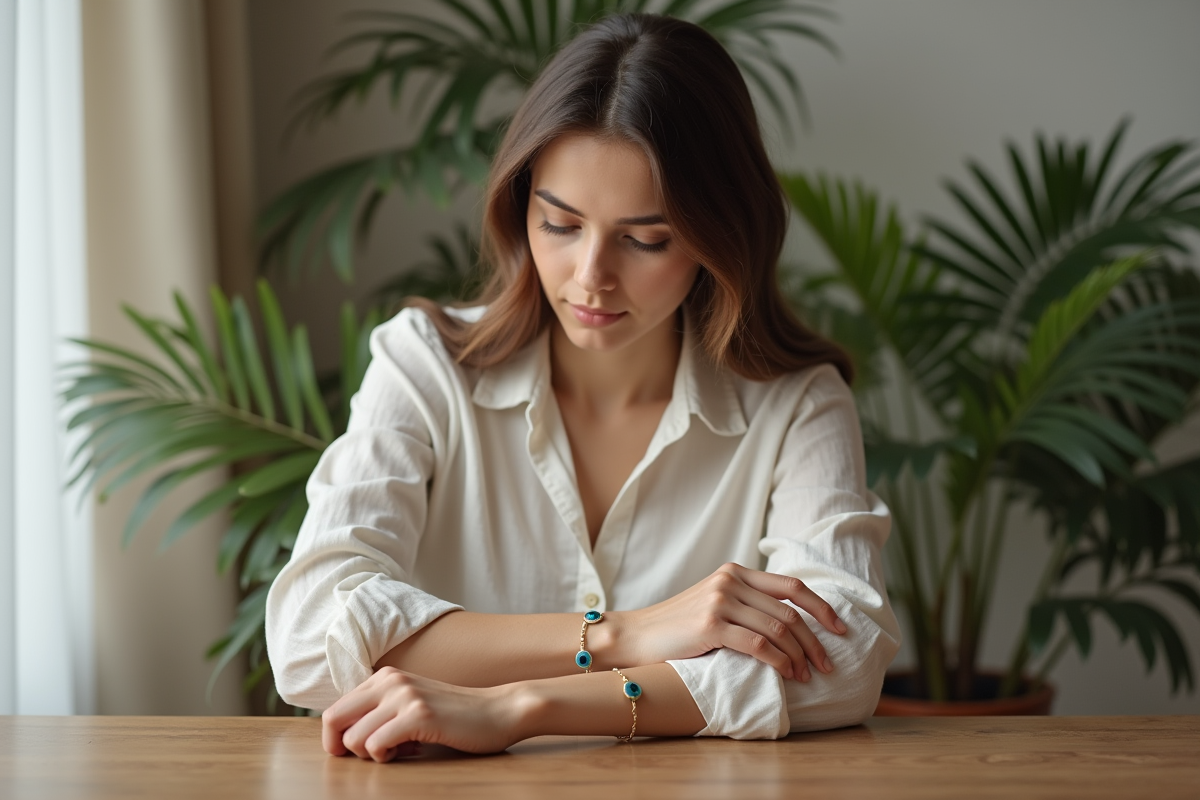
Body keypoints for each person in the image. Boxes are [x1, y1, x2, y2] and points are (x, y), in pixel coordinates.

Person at [265, 12, 900, 762]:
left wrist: (519, 708)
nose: (590, 275)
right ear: (519, 206)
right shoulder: (425, 364)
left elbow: (844, 662)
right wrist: (625, 636)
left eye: (645, 239)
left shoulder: (797, 403)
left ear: (718, 234)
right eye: (560, 224)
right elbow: (309, 633)